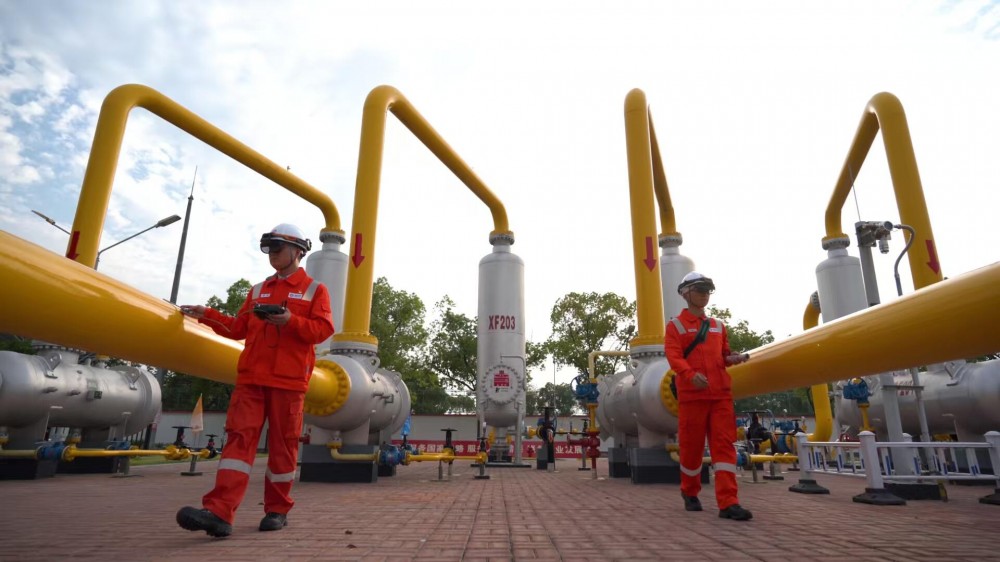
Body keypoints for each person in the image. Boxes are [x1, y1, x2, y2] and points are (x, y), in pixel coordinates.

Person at [176, 223, 334, 537]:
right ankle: (219, 513)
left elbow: (322, 330)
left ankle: (277, 510)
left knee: (283, 448)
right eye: (268, 249)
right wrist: (207, 314)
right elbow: (238, 328)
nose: (271, 254)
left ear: (297, 251)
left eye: (277, 248)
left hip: (289, 383)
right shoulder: (258, 289)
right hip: (251, 381)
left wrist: (290, 321)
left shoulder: (315, 289)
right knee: (238, 442)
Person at [664, 272, 753, 521]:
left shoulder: (718, 326)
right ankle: (689, 492)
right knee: (691, 449)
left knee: (724, 448)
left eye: (707, 290)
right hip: (692, 397)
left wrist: (733, 358)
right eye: (700, 290)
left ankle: (729, 502)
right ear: (685, 294)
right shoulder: (675, 326)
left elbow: (723, 355)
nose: (704, 295)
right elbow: (674, 356)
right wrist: (690, 375)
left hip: (720, 395)